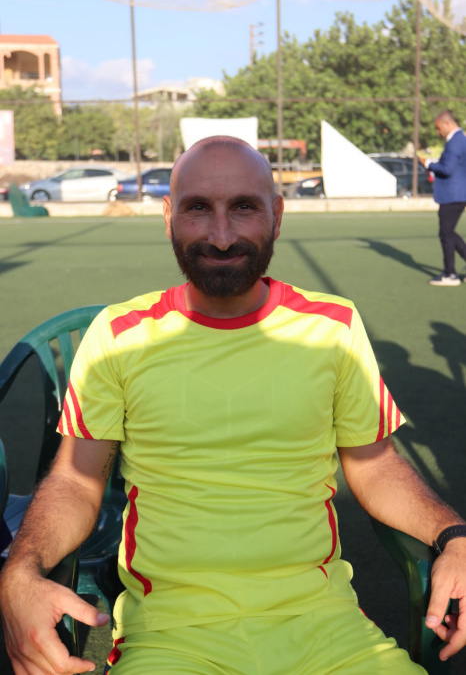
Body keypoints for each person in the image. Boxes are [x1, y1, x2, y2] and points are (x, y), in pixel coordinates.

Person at [1, 136, 466, 675]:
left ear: (277, 215)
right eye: (198, 208)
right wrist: (19, 571)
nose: (221, 236)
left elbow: (376, 466)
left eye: (243, 207)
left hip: (326, 627)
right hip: (172, 638)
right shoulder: (118, 336)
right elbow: (75, 482)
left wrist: (454, 536)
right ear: (169, 218)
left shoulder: (333, 326)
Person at [418, 109, 466, 286]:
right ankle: (450, 272)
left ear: (447, 124)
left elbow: (447, 169)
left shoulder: (455, 141)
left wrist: (429, 163)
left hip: (453, 195)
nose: (438, 132)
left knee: (446, 233)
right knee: (448, 232)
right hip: (456, 194)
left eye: (439, 128)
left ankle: (450, 274)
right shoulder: (460, 139)